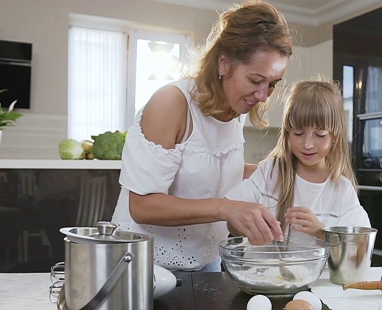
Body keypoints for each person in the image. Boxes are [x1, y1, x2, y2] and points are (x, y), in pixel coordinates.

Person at [111, 0, 293, 272]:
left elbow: (203, 170)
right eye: (256, 81)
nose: (263, 96)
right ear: (224, 64)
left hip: (206, 261)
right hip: (143, 265)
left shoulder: (235, 107)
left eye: (272, 85)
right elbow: (142, 206)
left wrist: (265, 174)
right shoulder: (172, 102)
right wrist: (226, 208)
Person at [226, 79, 371, 243]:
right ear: (287, 133)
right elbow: (231, 223)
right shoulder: (271, 171)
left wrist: (321, 232)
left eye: (320, 135)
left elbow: (359, 248)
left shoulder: (342, 190)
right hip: (264, 269)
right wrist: (249, 226)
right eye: (298, 133)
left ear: (335, 137)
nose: (308, 144)